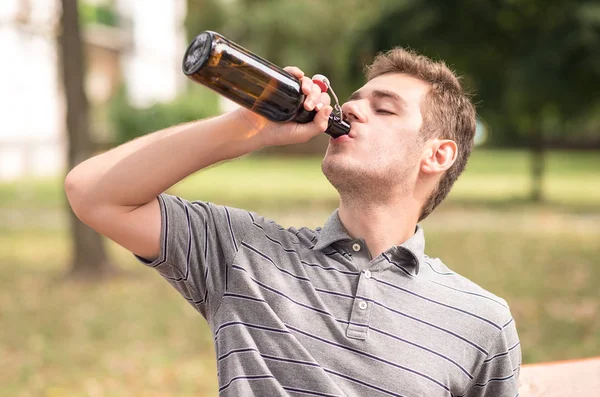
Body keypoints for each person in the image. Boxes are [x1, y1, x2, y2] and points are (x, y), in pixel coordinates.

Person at [65, 47, 521, 396]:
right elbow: (92, 193)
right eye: (355, 102)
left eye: (384, 108)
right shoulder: (242, 254)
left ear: (437, 154)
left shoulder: (482, 322)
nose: (353, 110)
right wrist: (246, 128)